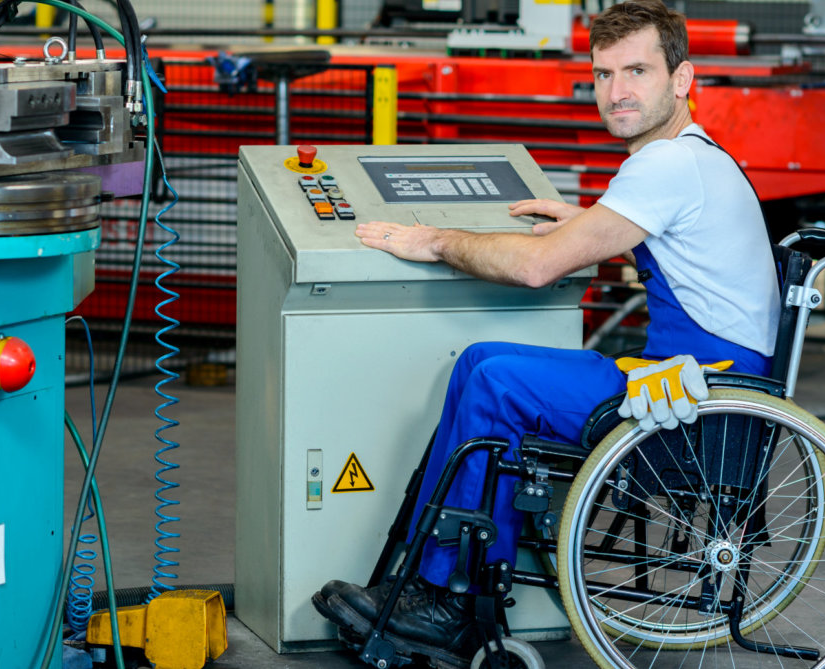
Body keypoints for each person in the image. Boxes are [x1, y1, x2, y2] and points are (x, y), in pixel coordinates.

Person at [312, 0, 781, 657]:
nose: (617, 92)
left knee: (499, 383)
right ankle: (433, 576)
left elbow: (534, 269)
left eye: (637, 71)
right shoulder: (691, 158)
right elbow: (670, 238)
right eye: (603, 74)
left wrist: (435, 240)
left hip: (694, 406)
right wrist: (590, 221)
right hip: (694, 387)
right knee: (480, 360)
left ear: (682, 79)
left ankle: (449, 598)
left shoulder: (665, 166)